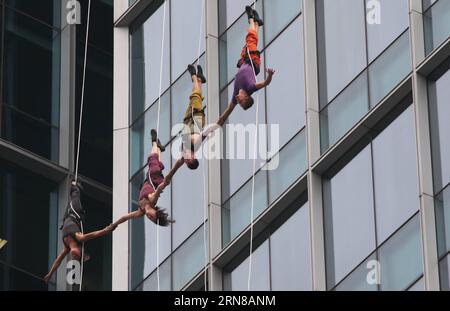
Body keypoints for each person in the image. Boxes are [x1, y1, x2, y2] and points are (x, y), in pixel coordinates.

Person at [44, 181, 115, 283]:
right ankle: (75, 184)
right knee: (75, 193)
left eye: (74, 257)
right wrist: (106, 230)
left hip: (66, 216)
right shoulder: (79, 237)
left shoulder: (66, 247)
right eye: (77, 256)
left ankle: (73, 186)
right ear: (80, 249)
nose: (74, 256)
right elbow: (94, 234)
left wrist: (50, 274)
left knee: (70, 197)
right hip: (76, 212)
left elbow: (57, 261)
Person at [111, 130, 183, 229]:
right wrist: (165, 183)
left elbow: (125, 217)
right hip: (154, 178)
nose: (149, 217)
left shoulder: (140, 212)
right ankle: (154, 141)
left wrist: (114, 224)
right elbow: (158, 190)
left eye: (150, 219)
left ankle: (158, 147)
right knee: (152, 158)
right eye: (152, 216)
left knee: (156, 162)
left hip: (151, 179)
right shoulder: (153, 200)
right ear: (156, 211)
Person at [216, 6, 275, 127]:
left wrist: (211, 129)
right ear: (246, 97)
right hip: (252, 61)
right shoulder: (250, 88)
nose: (238, 100)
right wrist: (270, 74)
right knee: (250, 39)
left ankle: (257, 22)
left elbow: (224, 116)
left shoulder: (234, 96)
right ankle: (251, 19)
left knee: (251, 40)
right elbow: (265, 83)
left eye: (239, 103)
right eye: (241, 101)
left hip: (244, 61)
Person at [180, 64, 207, 170]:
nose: (186, 159)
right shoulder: (195, 145)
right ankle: (194, 76)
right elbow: (199, 138)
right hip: (195, 118)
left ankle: (200, 79)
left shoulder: (185, 151)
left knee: (197, 96)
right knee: (195, 95)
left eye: (187, 162)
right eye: (189, 159)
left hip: (188, 120)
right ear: (194, 156)